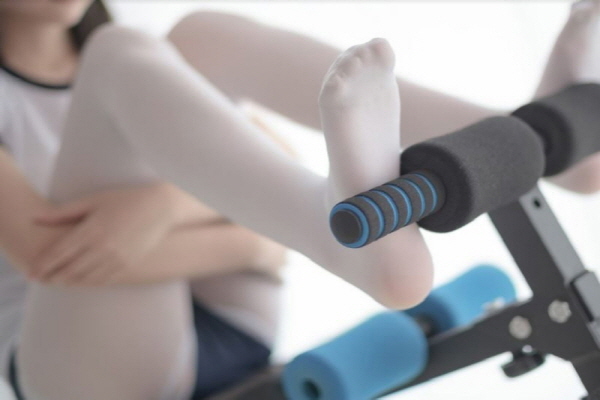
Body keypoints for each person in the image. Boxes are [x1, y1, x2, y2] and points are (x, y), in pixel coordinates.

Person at [0, 0, 598, 399]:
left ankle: (534, 139)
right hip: (86, 365)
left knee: (199, 36)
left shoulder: (151, 65)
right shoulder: (112, 68)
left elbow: (271, 170)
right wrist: (249, 243)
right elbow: (50, 254)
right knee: (115, 55)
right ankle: (339, 237)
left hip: (232, 320)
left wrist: (161, 208)